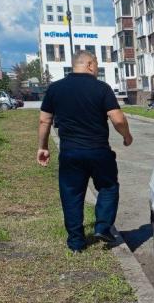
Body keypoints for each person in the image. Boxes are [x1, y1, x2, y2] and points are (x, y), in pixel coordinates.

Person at [37, 50, 133, 252]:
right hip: (99, 151)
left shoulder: (55, 89)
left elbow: (44, 120)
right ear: (89, 64)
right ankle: (103, 226)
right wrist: (126, 135)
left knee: (71, 195)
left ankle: (76, 243)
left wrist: (43, 147)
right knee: (108, 187)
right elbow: (117, 119)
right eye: (96, 64)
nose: (97, 68)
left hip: (70, 152)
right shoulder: (102, 88)